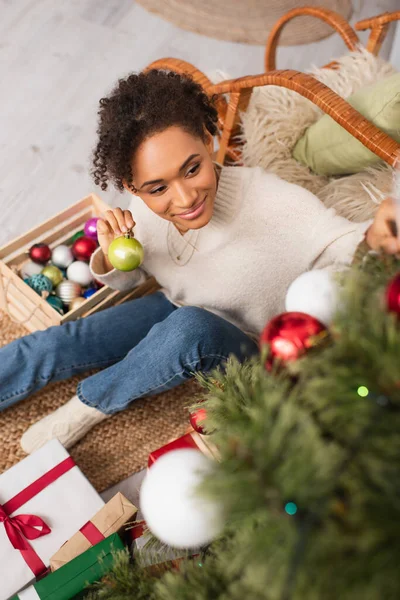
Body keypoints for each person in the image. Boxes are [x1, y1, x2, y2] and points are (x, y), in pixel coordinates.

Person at [1, 69, 398, 454]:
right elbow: (134, 277)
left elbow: (348, 244)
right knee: (60, 342)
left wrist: (378, 235)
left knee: (189, 328)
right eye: (157, 187)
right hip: (178, 306)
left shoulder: (274, 202)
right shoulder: (141, 206)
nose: (185, 198)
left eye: (192, 169)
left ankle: (89, 405)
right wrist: (112, 255)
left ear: (208, 141)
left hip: (254, 352)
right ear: (131, 186)